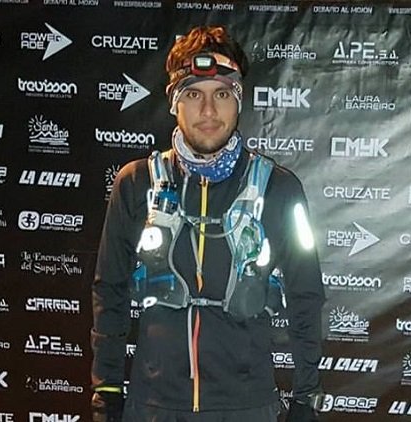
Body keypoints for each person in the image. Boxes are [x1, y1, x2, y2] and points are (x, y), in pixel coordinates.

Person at [90, 25, 326, 422]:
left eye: (222, 94)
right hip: (154, 406)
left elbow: (306, 295)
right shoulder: (135, 183)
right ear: (174, 103)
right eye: (194, 95)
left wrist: (306, 397)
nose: (209, 111)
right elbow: (109, 291)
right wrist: (106, 390)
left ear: (239, 101)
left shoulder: (281, 190)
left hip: (247, 407)